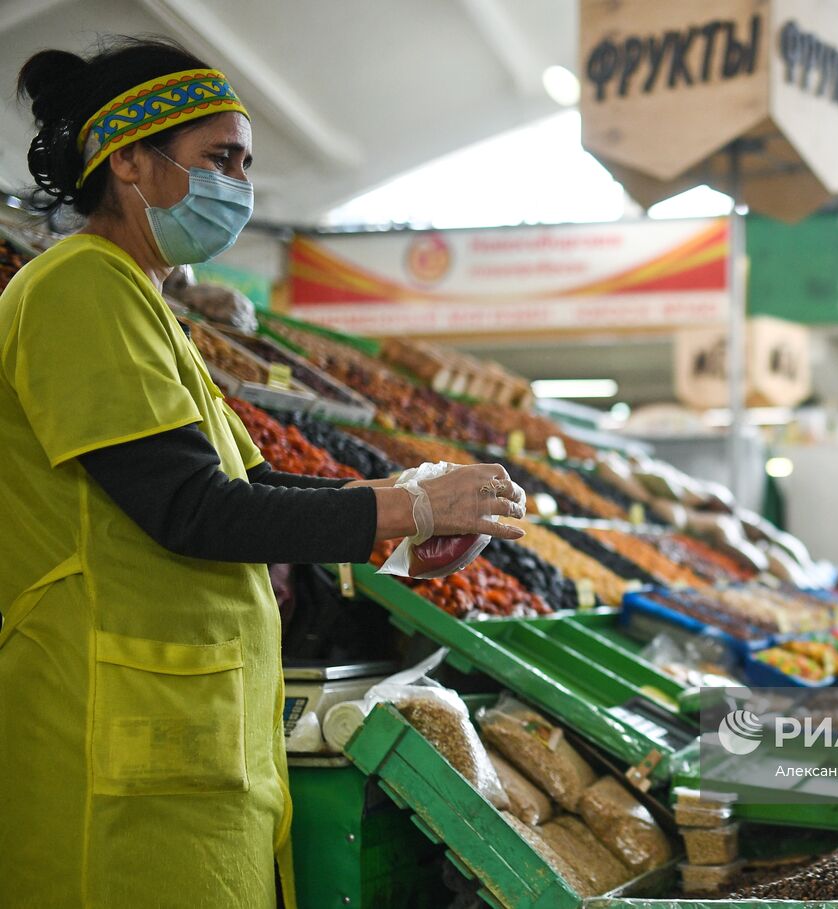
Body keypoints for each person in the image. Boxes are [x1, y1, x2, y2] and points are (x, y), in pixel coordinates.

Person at [0, 39, 527, 908]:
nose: (238, 184)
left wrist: (410, 519)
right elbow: (193, 510)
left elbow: (257, 489)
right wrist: (401, 504)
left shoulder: (141, 298)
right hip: (108, 718)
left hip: (171, 717)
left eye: (246, 162)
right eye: (219, 159)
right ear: (128, 158)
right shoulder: (79, 288)